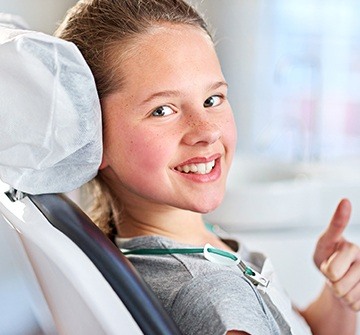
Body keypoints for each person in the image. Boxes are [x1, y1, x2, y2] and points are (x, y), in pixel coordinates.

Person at [55, 1, 360, 334]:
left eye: (212, 99)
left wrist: (338, 297)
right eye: (162, 110)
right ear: (90, 137)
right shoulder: (210, 292)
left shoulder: (198, 250)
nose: (207, 130)